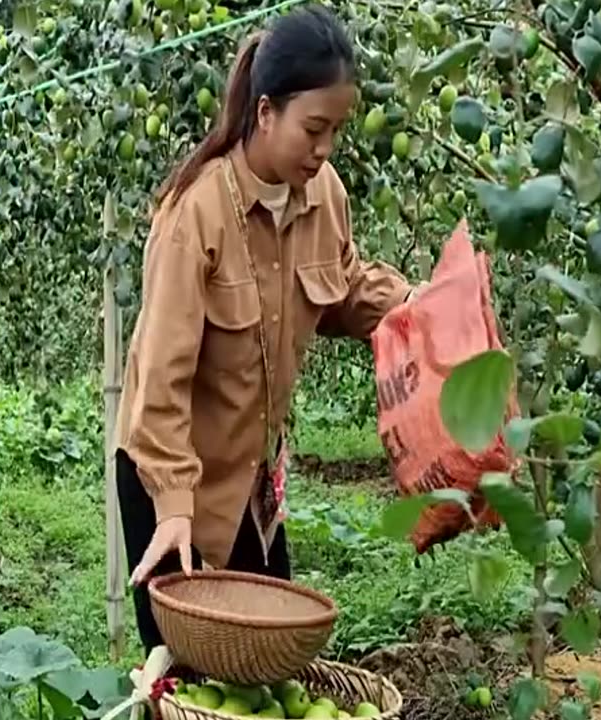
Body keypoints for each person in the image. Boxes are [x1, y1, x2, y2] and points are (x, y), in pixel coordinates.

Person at [116, 5, 423, 654]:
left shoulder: (323, 195)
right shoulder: (195, 213)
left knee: (263, 659)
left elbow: (340, 289)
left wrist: (417, 305)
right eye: (313, 128)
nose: (325, 148)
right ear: (264, 114)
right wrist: (174, 507)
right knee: (188, 675)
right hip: (170, 475)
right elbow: (157, 378)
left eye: (336, 130)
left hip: (252, 480)